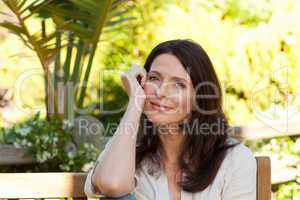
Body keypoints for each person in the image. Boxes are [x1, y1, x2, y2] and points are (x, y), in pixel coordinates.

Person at [84, 39, 257, 200]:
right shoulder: (127, 149)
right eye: (154, 78)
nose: (160, 92)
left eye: (179, 85)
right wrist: (135, 103)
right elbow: (111, 185)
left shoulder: (235, 160)